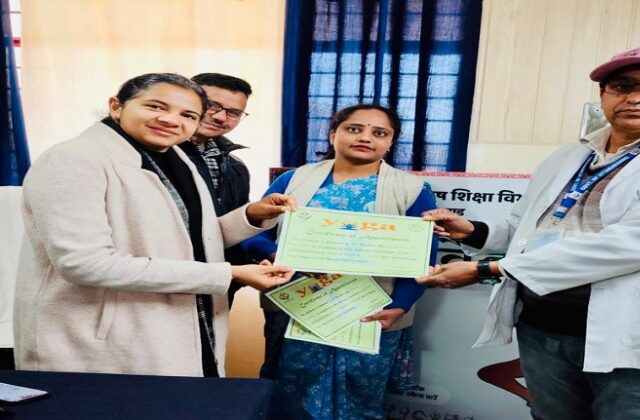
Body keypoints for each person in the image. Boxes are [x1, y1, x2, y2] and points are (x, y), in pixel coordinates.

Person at [418, 41, 640, 419]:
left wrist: (489, 269)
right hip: (544, 330)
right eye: (621, 86)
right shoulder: (570, 156)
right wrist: (473, 231)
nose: (636, 96)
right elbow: (529, 228)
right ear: (603, 95)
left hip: (638, 342)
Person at [14, 73, 296, 378]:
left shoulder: (177, 159)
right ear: (116, 106)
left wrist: (251, 216)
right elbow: (84, 263)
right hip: (97, 336)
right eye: (156, 106)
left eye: (188, 115)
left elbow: (188, 236)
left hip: (173, 320)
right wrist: (228, 273)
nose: (171, 120)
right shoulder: (72, 160)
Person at [242, 104, 437, 419]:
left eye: (379, 133)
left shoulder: (413, 189)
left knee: (362, 394)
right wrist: (280, 255)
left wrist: (400, 306)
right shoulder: (293, 180)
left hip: (373, 310)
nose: (365, 138)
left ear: (390, 143)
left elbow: (423, 256)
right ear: (333, 134)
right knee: (291, 389)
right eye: (354, 129)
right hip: (299, 305)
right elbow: (253, 234)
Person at [180, 73, 254, 306]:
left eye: (234, 112)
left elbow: (232, 227)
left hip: (220, 278)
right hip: (167, 275)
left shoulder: (235, 166)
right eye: (212, 105)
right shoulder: (157, 156)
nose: (221, 117)